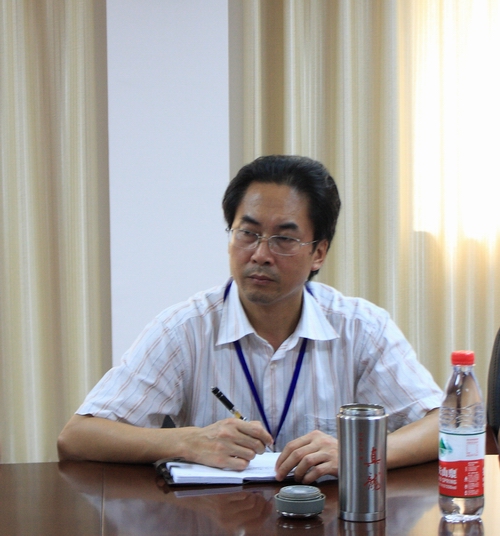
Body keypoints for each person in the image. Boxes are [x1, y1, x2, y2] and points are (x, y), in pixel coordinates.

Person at [57, 155, 442, 484]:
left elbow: (443, 423)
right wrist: (185, 441)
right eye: (248, 233)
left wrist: (361, 453)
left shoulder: (361, 327)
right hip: (220, 518)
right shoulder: (185, 329)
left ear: (319, 253)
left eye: (284, 239)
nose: (260, 254)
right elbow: (77, 437)